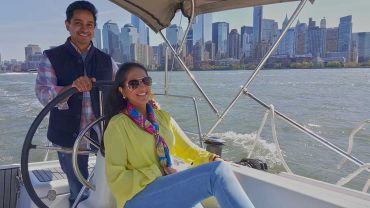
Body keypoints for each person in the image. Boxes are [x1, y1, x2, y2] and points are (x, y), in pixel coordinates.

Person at [104, 62, 255, 208]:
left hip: (165, 187)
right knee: (217, 172)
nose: (142, 86)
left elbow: (187, 149)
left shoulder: (162, 118)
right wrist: (157, 171)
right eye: (133, 84)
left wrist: (211, 157)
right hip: (136, 199)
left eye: (146, 81)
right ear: (122, 91)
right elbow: (116, 181)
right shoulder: (117, 126)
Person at [35, 1, 118, 206]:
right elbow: (43, 92)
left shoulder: (107, 60)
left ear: (94, 28)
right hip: (67, 134)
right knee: (77, 187)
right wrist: (70, 87)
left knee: (108, 183)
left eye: (89, 24)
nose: (84, 29)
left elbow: (121, 91)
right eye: (78, 23)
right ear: (67, 25)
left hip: (102, 135)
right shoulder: (51, 57)